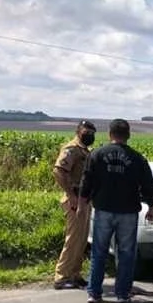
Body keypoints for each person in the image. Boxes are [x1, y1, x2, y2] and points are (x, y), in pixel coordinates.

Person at [79, 119, 153, 303]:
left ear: (109, 134)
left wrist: (82, 205)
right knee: (126, 253)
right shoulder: (137, 158)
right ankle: (122, 293)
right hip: (128, 212)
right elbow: (148, 185)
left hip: (103, 210)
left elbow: (86, 181)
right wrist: (152, 208)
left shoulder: (97, 154)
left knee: (99, 251)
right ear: (128, 135)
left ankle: (94, 293)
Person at [51, 120, 97, 290]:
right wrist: (71, 195)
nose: (89, 135)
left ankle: (75, 274)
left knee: (82, 240)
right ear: (78, 131)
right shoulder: (71, 149)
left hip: (84, 200)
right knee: (73, 239)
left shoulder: (85, 151)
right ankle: (61, 276)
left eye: (92, 133)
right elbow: (58, 171)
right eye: (87, 132)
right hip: (75, 199)